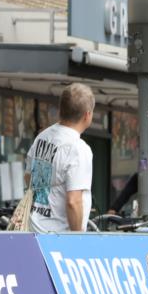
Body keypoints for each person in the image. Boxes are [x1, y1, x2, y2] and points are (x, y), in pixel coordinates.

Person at [25, 83, 95, 233]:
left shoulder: (42, 137)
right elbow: (73, 201)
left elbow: (28, 177)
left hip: (33, 230)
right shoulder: (78, 148)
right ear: (87, 115)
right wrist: (77, 239)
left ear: (60, 110)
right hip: (58, 238)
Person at [108, 146, 148, 215]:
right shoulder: (140, 177)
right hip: (147, 215)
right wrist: (114, 209)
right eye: (145, 162)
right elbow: (125, 193)